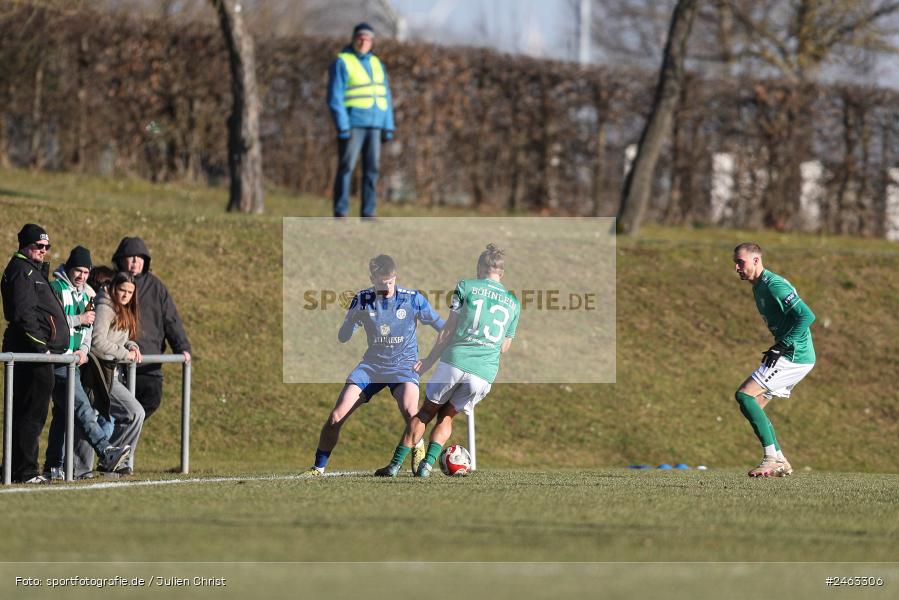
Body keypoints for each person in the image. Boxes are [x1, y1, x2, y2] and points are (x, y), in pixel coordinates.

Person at [376, 244, 520, 478]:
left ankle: (394, 465)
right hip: (484, 373)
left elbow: (447, 330)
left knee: (425, 413)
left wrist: (429, 360)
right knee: (447, 415)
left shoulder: (466, 286)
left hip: (456, 361)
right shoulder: (514, 302)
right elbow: (504, 347)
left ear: (479, 268)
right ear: (501, 273)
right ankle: (426, 466)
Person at [302, 255, 444, 476]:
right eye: (380, 282)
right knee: (335, 417)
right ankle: (318, 468)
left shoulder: (413, 299)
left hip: (403, 366)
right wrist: (350, 318)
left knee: (410, 412)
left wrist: (430, 360)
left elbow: (442, 328)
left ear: (395, 277)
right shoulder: (362, 299)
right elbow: (343, 337)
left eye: (390, 282)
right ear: (372, 278)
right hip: (371, 368)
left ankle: (418, 446)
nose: (386, 287)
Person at [42, 247, 131, 480]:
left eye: (85, 271)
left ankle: (53, 466)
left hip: (76, 361)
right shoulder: (56, 289)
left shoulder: (88, 294)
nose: (81, 275)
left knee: (63, 415)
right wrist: (78, 319)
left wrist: (82, 349)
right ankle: (106, 451)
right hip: (58, 360)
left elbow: (88, 332)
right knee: (82, 407)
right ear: (69, 269)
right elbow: (49, 324)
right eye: (77, 270)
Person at [732, 242, 816, 477]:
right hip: (794, 354)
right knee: (754, 405)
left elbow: (807, 315)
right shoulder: (757, 286)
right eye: (735, 263)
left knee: (744, 394)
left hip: (794, 355)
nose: (737, 267)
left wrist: (781, 345)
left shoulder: (774, 285)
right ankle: (780, 459)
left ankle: (771, 458)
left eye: (741, 262)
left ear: (756, 260)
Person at [1, 224, 69, 483]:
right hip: (31, 354)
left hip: (39, 353)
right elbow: (23, 315)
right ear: (24, 245)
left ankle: (14, 468)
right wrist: (41, 349)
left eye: (46, 247)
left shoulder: (32, 270)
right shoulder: (21, 271)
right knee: (30, 414)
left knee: (30, 413)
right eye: (38, 246)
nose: (43, 250)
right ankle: (26, 471)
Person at [112, 237, 191, 420]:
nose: (135, 262)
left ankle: (119, 445)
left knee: (149, 403)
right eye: (131, 257)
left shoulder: (156, 287)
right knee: (118, 416)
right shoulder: (111, 283)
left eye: (140, 258)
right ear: (121, 259)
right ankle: (116, 445)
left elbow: (171, 321)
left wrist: (183, 349)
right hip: (119, 363)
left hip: (148, 366)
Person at [327, 22, 395, 218]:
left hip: (375, 125)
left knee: (372, 170)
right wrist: (342, 125)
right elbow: (335, 96)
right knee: (346, 167)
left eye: (367, 38)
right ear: (353, 39)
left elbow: (385, 95)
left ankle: (368, 212)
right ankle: (341, 211)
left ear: (372, 41)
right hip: (353, 125)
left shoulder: (377, 63)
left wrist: (388, 125)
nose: (363, 41)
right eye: (360, 38)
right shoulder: (342, 61)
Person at [90, 271, 146, 476]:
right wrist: (125, 354)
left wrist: (132, 345)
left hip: (110, 372)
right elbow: (97, 341)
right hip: (99, 373)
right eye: (122, 290)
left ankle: (114, 460)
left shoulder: (123, 309)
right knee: (134, 413)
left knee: (134, 414)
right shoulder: (105, 306)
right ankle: (110, 459)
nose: (125, 295)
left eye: (130, 292)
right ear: (114, 288)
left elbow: (120, 339)